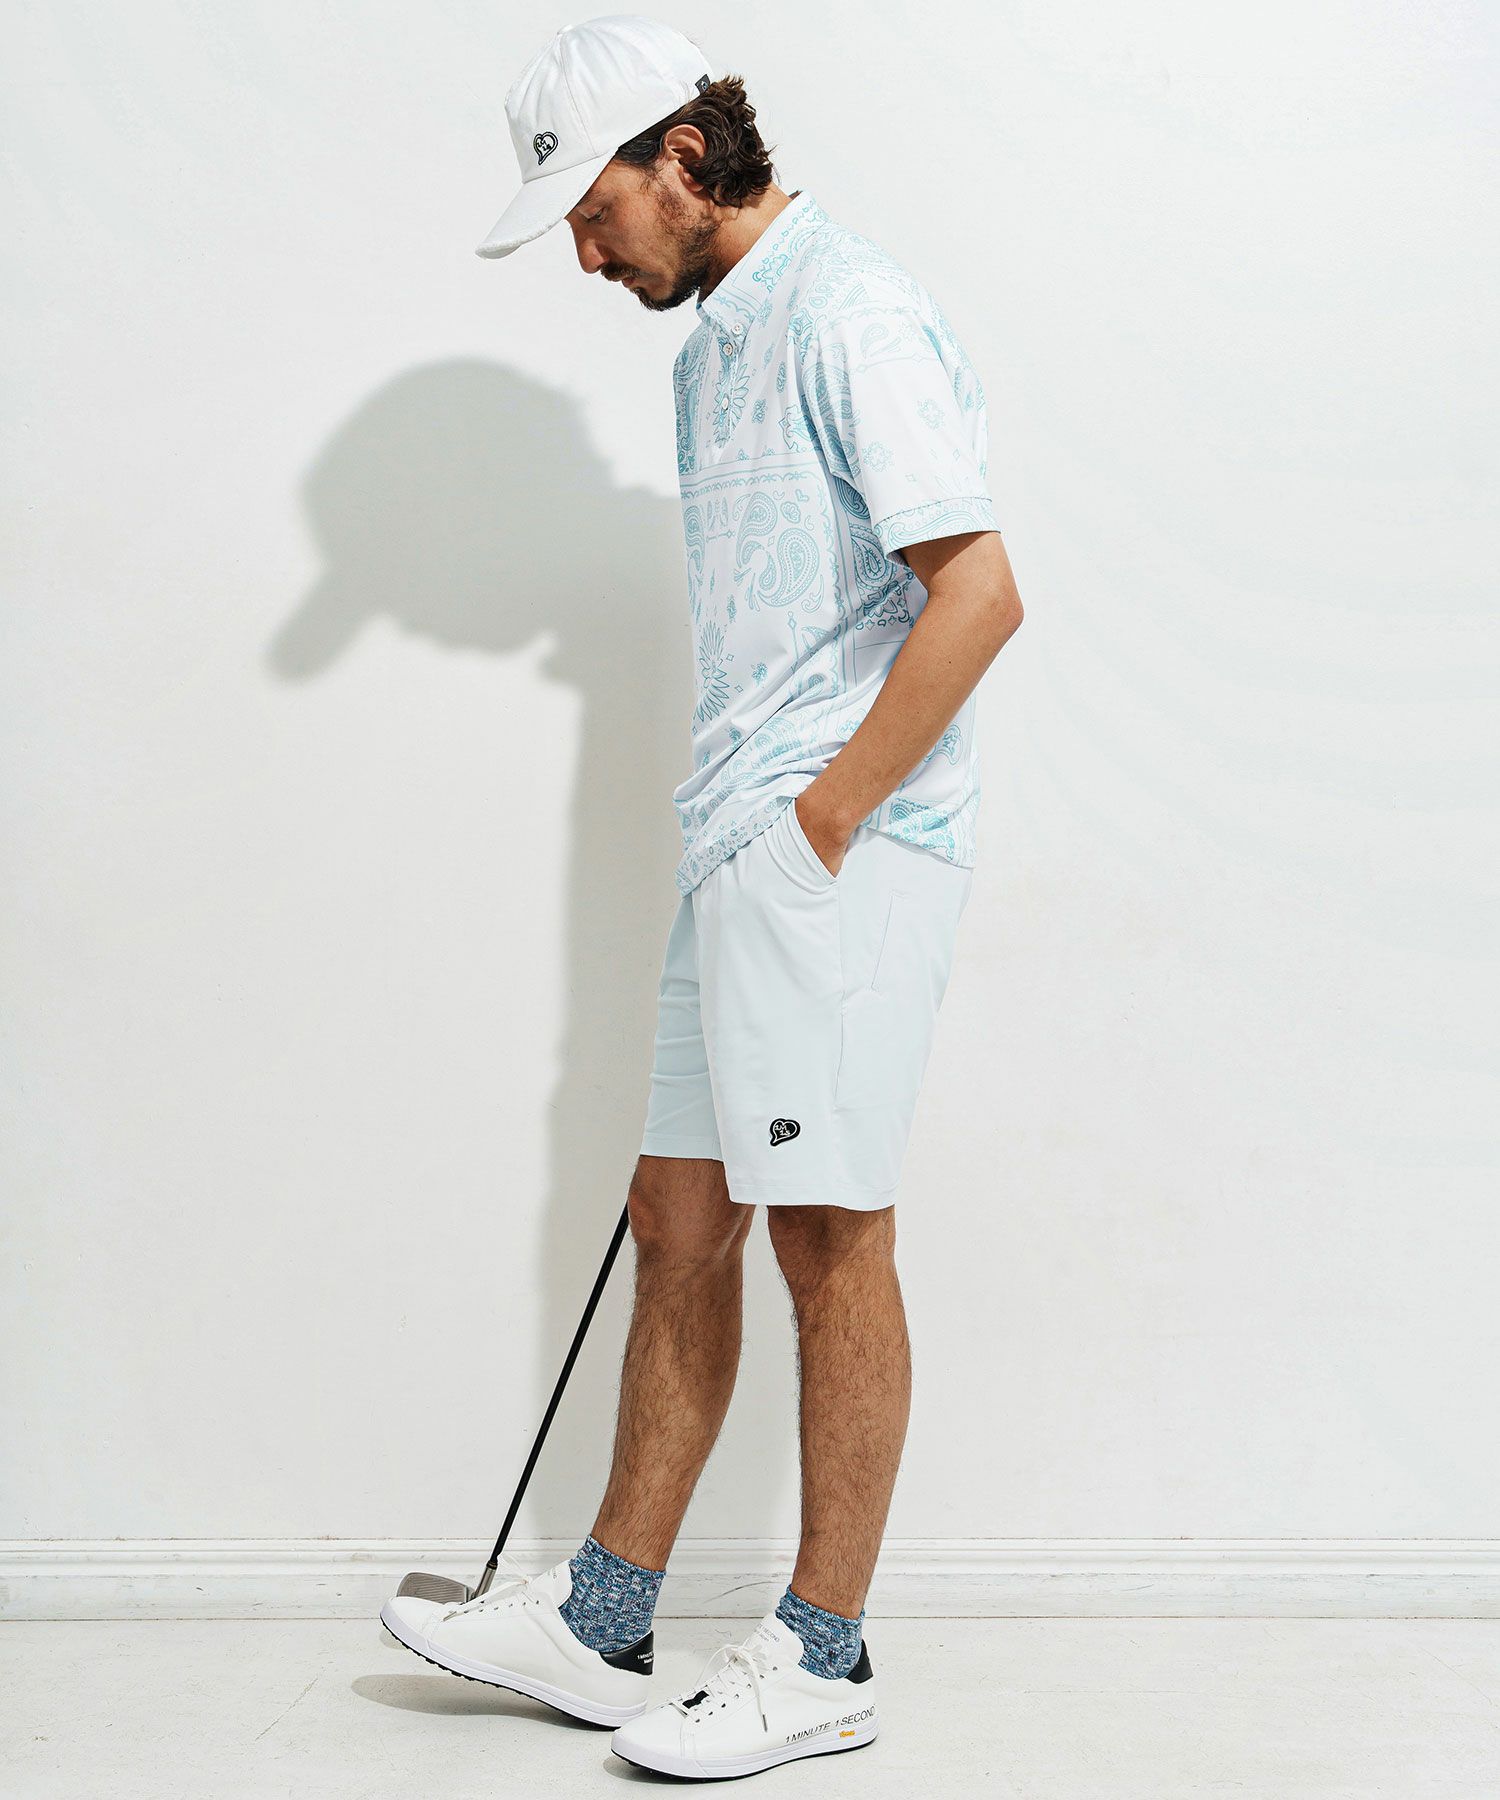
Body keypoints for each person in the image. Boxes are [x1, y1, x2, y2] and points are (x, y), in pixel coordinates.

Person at [382, 14, 1024, 1782]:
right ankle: (602, 1621)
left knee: (829, 1238)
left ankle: (823, 1659)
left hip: (834, 857)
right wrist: (762, 826)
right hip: (737, 840)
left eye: (591, 216)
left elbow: (978, 592)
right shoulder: (712, 345)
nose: (586, 259)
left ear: (682, 155)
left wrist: (825, 818)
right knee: (677, 1216)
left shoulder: (849, 309)